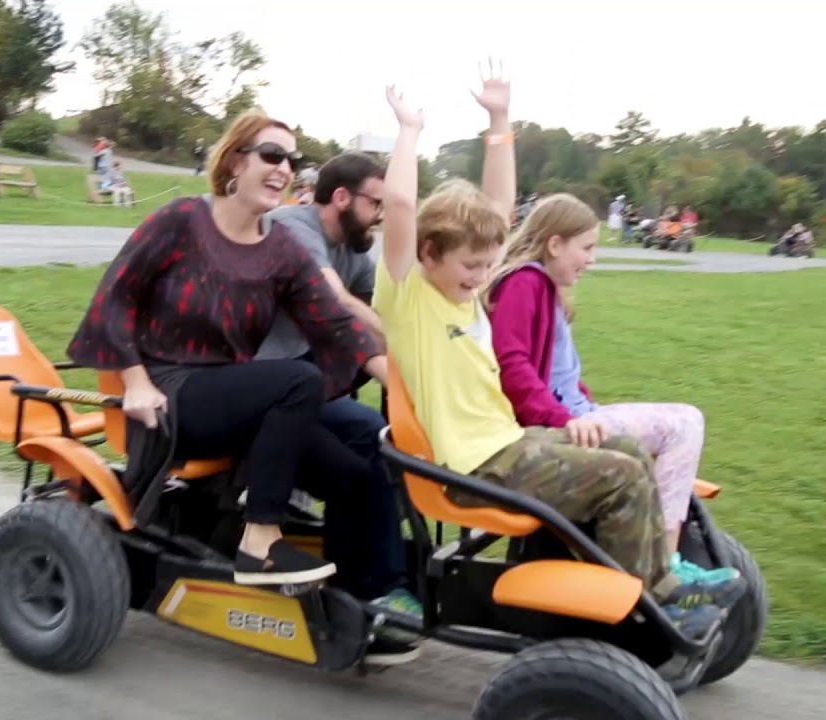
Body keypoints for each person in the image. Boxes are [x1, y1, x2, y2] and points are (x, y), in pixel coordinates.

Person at [372, 70, 744, 637]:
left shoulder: (464, 291)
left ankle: (645, 583)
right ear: (428, 252)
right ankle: (654, 600)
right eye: (471, 267)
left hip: (511, 444)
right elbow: (399, 202)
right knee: (620, 477)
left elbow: (498, 204)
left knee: (629, 453)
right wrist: (409, 131)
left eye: (486, 264)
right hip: (475, 466)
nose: (481, 279)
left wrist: (499, 121)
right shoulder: (412, 297)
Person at [65, 108, 394, 594]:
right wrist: (134, 380)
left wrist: (405, 384)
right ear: (236, 161)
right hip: (169, 398)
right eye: (272, 154)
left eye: (291, 158)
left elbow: (333, 321)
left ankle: (361, 604)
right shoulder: (180, 221)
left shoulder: (280, 247)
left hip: (235, 402)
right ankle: (259, 540)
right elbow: (115, 298)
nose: (284, 168)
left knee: (356, 474)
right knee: (295, 379)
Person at [482, 192, 741, 587]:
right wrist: (567, 418)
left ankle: (658, 558)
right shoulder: (525, 283)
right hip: (558, 423)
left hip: (573, 413)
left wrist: (578, 402)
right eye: (585, 248)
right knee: (685, 423)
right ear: (554, 244)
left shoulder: (541, 287)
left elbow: (557, 372)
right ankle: (667, 565)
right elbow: (513, 366)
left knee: (675, 429)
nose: (591, 259)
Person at [254, 151, 422, 626]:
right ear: (342, 198)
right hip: (268, 388)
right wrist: (404, 351)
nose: (382, 214)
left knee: (383, 438)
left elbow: (376, 320)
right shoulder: (293, 226)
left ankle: (369, 579)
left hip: (307, 382)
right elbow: (338, 302)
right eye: (376, 202)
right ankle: (375, 589)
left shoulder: (356, 245)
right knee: (370, 441)